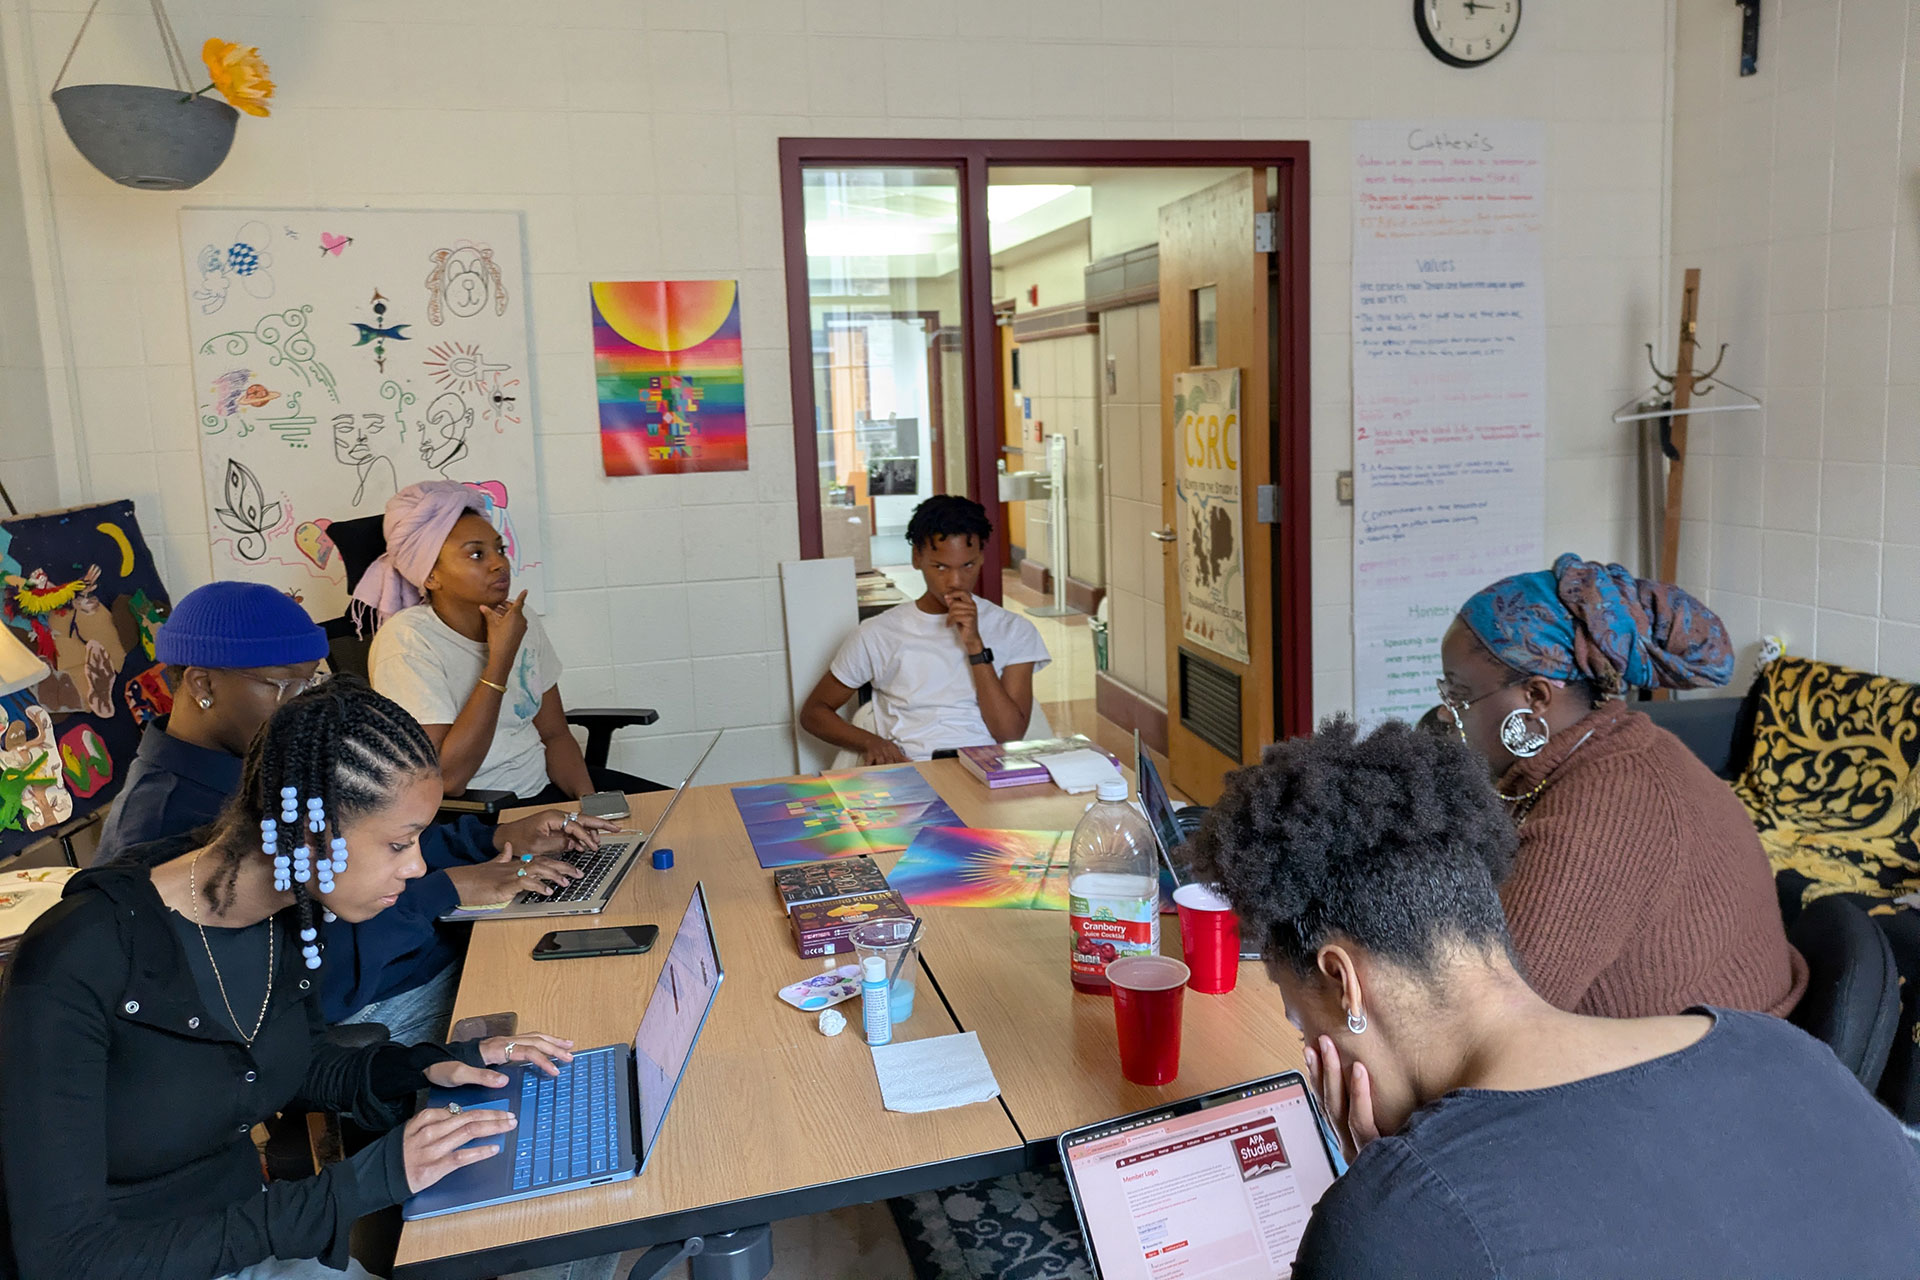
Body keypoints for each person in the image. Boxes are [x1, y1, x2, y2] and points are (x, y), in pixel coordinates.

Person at [1186, 717, 1920, 1279]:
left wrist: (1385, 1200)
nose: (1304, 1042)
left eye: (1294, 1008)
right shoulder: (1787, 1051)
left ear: (1344, 982)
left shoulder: (1400, 1224)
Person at [0, 678, 584, 1280]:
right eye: (397, 844)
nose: (416, 866)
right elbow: (64, 1257)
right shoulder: (76, 959)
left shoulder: (289, 915)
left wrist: (428, 1064)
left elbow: (295, 1061)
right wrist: (363, 1182)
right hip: (140, 1261)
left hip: (241, 1237)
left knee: (563, 1229)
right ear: (313, 832)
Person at [98, 581, 609, 1043]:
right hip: (371, 1006)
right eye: (283, 686)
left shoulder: (268, 757)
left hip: (431, 948)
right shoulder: (161, 825)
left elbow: (366, 845)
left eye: (309, 684)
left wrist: (494, 837)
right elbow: (301, 988)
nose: (299, 706)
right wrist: (446, 889)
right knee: (570, 1018)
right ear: (202, 684)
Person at [1435, 553, 1805, 1019]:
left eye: (1461, 695)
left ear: (1535, 698)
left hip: (1710, 1076)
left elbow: (1497, 1022)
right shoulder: (1596, 751)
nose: (1447, 714)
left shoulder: (1603, 810)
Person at [360, 481, 659, 803]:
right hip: (485, 813)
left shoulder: (518, 618)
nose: (499, 563)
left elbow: (555, 734)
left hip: (546, 789)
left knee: (686, 816)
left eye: (499, 549)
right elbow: (447, 780)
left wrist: (590, 805)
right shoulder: (408, 641)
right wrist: (501, 657)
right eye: (476, 554)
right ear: (431, 576)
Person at [800, 495, 1050, 763]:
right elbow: (814, 713)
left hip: (986, 767)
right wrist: (872, 742)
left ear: (981, 559)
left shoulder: (1015, 630)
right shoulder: (878, 633)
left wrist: (976, 647)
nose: (955, 581)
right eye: (940, 567)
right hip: (911, 767)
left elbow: (1009, 734)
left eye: (967, 565)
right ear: (917, 558)